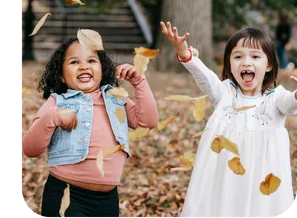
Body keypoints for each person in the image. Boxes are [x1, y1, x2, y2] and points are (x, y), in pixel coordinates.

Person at [160, 21, 297, 218]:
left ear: (268, 65)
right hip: (224, 180)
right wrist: (184, 53)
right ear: (229, 64)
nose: (246, 62)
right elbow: (204, 76)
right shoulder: (224, 93)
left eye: (255, 56)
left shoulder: (275, 98)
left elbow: (290, 103)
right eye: (238, 56)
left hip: (262, 179)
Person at [21, 37, 158, 218]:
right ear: (61, 75)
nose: (84, 66)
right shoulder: (58, 102)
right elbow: (30, 149)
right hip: (66, 195)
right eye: (74, 62)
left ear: (102, 69)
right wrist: (53, 116)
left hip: (108, 200)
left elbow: (147, 121)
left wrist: (139, 82)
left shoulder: (117, 99)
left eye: (92, 61)